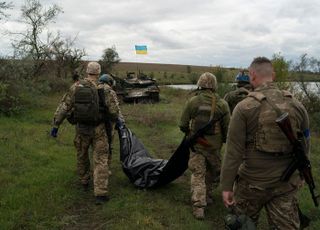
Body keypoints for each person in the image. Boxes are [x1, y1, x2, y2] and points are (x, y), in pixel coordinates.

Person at [220, 57, 310, 229]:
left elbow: (233, 152)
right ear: (273, 75)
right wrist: (303, 173)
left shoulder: (244, 108)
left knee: (243, 225)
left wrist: (226, 186)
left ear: (252, 75)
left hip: (251, 184)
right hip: (286, 185)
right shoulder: (297, 105)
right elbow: (305, 143)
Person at [50, 62, 121, 205]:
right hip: (99, 130)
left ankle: (84, 181)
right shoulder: (105, 89)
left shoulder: (76, 87)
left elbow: (64, 106)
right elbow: (114, 112)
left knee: (82, 155)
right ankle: (100, 194)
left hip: (82, 129)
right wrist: (115, 123)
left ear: (87, 72)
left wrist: (56, 125)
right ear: (99, 72)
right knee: (100, 159)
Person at [179, 72, 230, 220]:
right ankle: (206, 197)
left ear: (200, 84)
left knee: (198, 174)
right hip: (214, 148)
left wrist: (190, 134)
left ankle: (199, 207)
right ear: (214, 85)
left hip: (196, 147)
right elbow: (228, 129)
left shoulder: (193, 101)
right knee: (212, 173)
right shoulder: (223, 104)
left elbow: (182, 124)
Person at [98, 74, 125, 174]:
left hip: (95, 123)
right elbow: (115, 109)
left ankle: (96, 167)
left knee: (97, 146)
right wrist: (120, 121)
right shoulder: (110, 91)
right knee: (108, 145)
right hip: (108, 124)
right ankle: (106, 168)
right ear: (109, 82)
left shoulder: (93, 88)